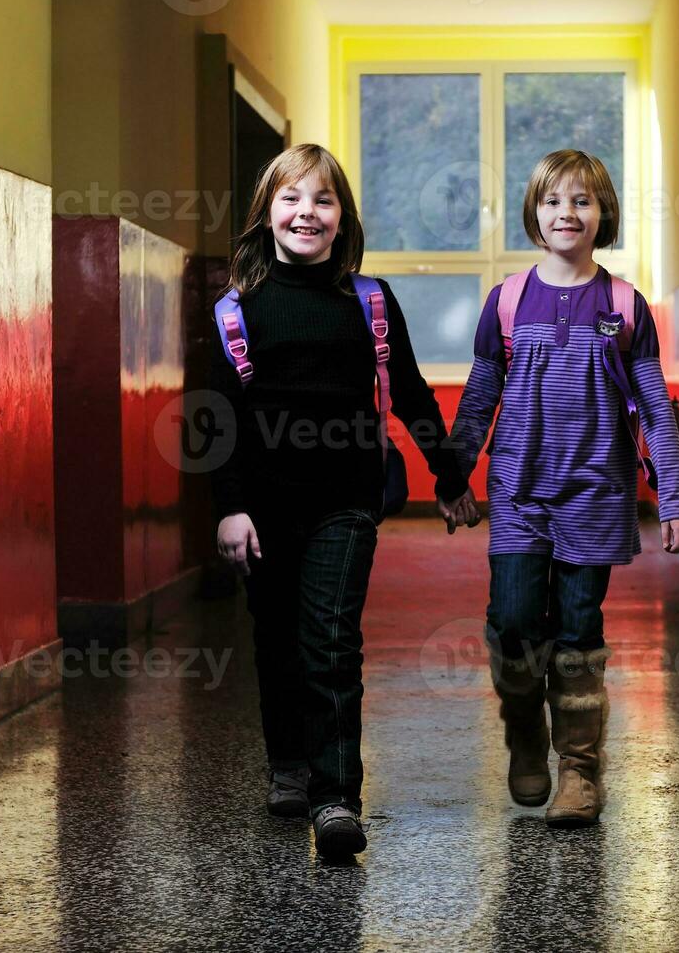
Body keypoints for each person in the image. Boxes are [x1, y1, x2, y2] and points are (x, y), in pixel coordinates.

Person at [209, 143, 479, 858]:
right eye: (292, 199)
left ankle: (335, 799)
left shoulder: (369, 302)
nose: (307, 212)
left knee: (330, 642)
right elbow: (218, 420)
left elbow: (415, 394)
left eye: (323, 200)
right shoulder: (237, 310)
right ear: (267, 213)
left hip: (347, 501)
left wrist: (448, 478)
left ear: (342, 218)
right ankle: (289, 765)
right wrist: (230, 507)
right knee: (276, 640)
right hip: (264, 508)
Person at [450, 149, 679, 827]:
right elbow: (478, 398)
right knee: (516, 623)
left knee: (579, 631)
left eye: (583, 201)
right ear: (534, 212)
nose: (568, 213)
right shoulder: (506, 302)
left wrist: (674, 501)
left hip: (596, 497)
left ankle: (579, 771)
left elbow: (654, 407)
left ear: (603, 215)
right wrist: (453, 477)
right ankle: (525, 727)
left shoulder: (622, 305)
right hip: (520, 495)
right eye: (555, 200)